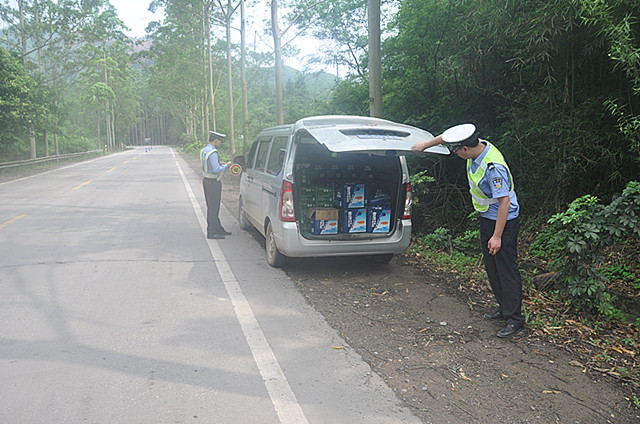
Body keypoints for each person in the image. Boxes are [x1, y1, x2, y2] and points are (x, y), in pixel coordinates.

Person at [412, 124, 524, 338]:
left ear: (465, 149)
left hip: (503, 222)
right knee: (492, 267)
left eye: (457, 152)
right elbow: (447, 137)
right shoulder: (475, 147)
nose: (457, 155)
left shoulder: (493, 167)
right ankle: (504, 309)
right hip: (487, 217)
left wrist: (497, 236)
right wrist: (425, 145)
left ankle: (515, 319)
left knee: (506, 269)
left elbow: (505, 203)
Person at [200, 131, 232, 239]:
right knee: (214, 208)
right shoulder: (213, 152)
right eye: (220, 141)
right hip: (213, 182)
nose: (220, 144)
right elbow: (215, 169)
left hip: (206, 180)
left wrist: (219, 163)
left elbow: (207, 165)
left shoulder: (204, 150)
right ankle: (212, 232)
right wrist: (226, 165)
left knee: (211, 206)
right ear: (216, 141)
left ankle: (218, 228)